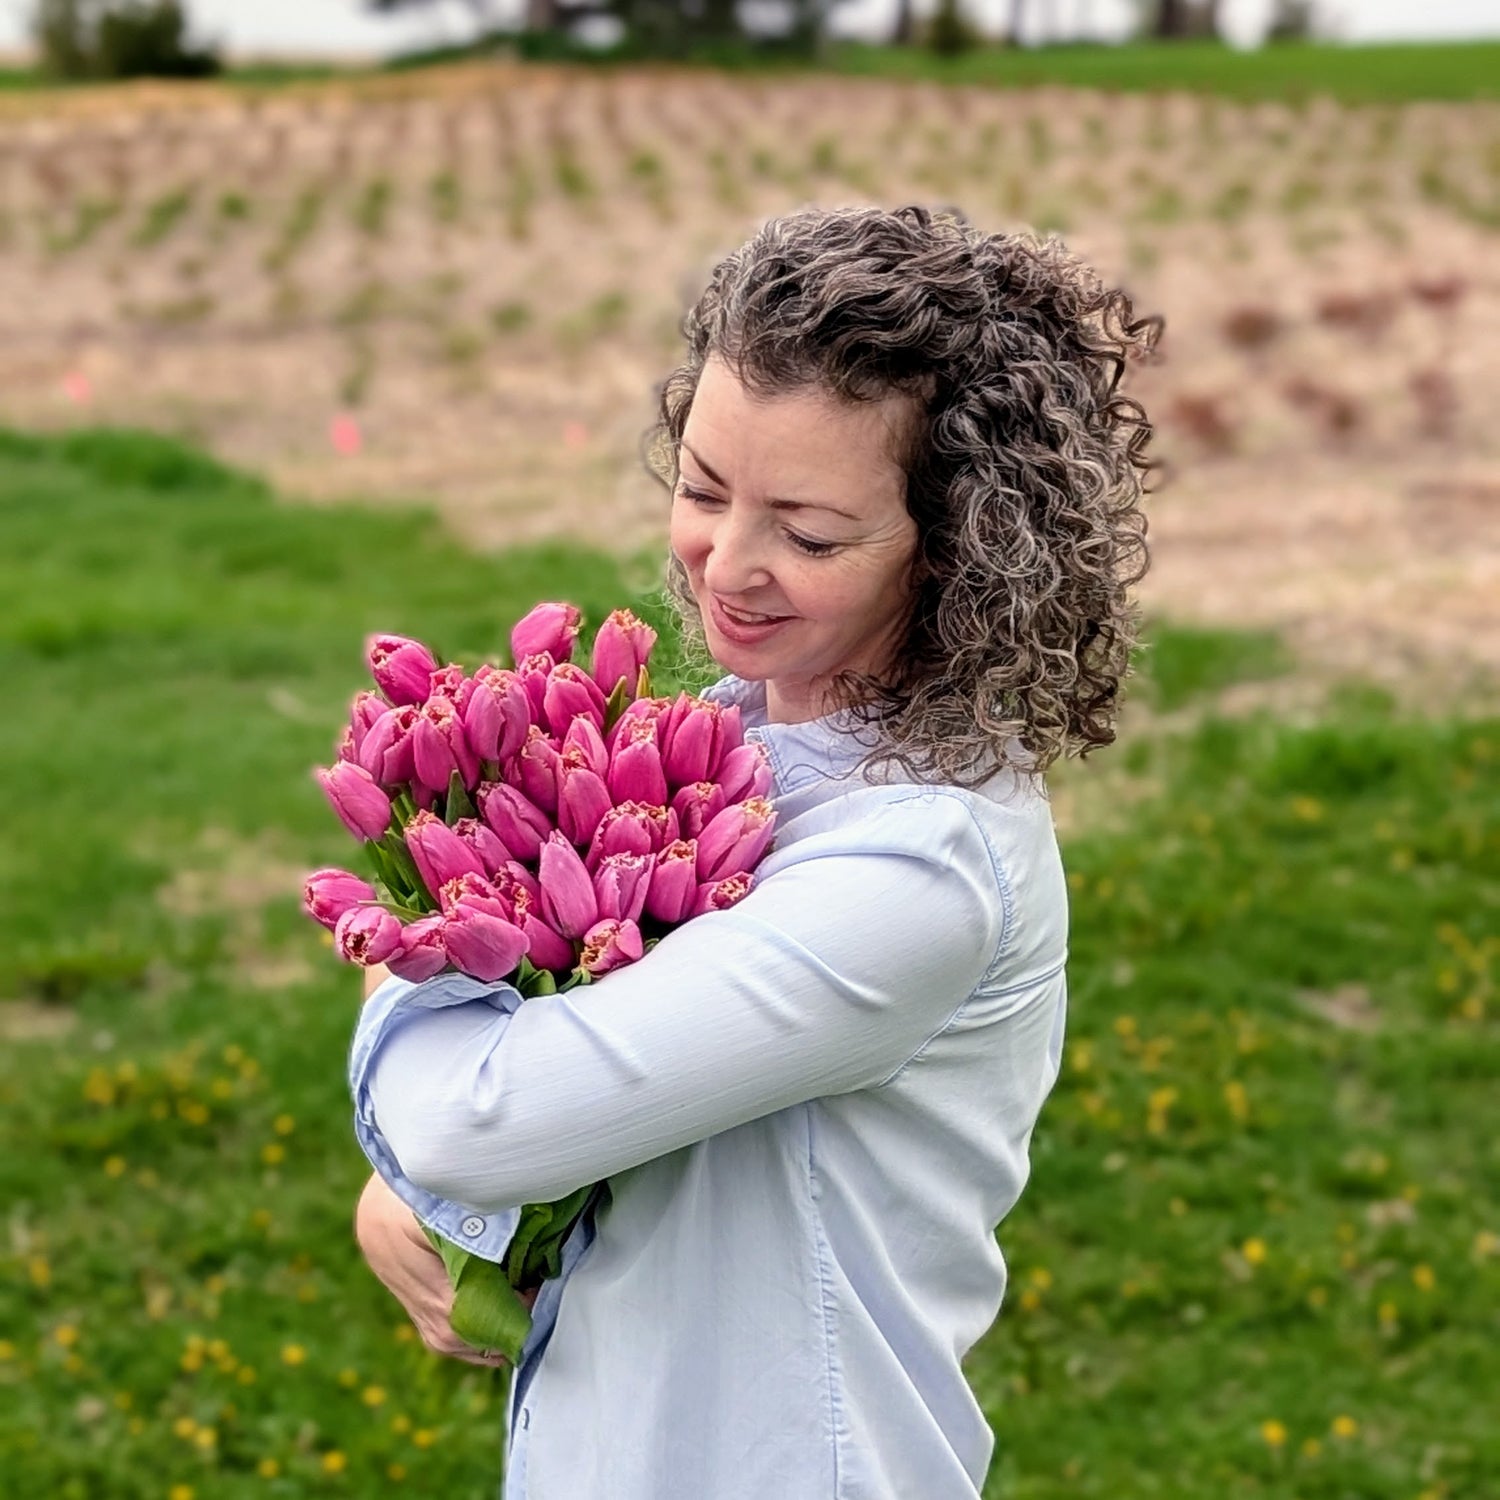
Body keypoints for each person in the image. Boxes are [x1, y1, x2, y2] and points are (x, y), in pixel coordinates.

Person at [350, 202, 1160, 1498]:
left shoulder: (915, 870)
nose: (728, 564)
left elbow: (475, 1119)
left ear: (960, 552)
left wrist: (407, 939)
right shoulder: (717, 749)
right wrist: (458, 1201)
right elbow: (580, 1107)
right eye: (702, 489)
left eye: (811, 532)